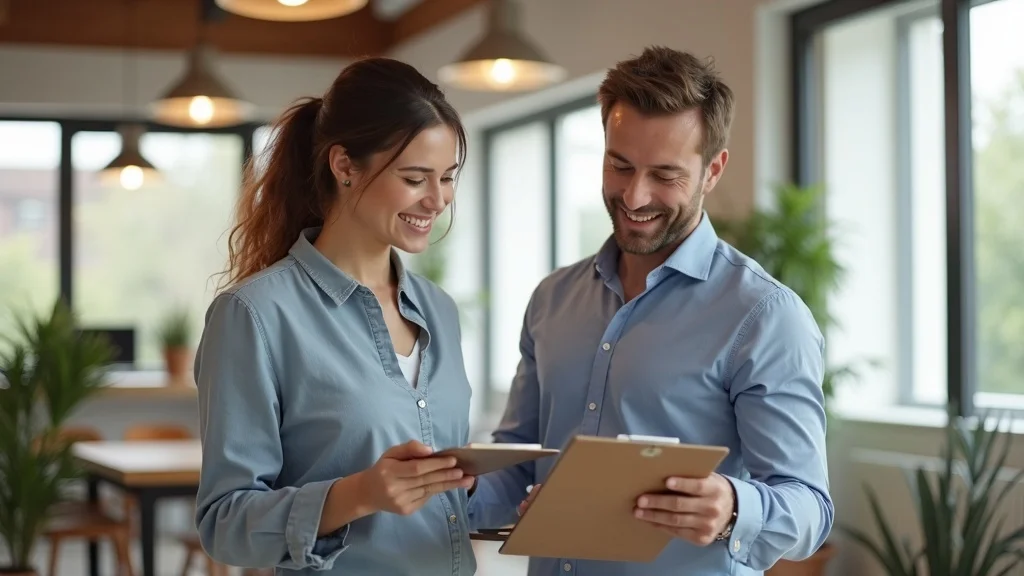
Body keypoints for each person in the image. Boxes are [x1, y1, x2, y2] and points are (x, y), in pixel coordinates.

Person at [467, 46, 834, 575]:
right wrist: (445, 490)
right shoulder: (553, 298)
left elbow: (810, 509)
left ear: (713, 170)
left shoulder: (765, 315)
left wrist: (733, 506)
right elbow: (521, 465)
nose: (635, 195)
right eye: (620, 166)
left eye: (665, 174)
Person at [192, 57, 479, 575]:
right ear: (344, 165)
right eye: (415, 178)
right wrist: (357, 494)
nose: (437, 200)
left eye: (448, 177)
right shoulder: (254, 316)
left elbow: (442, 502)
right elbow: (224, 524)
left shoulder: (439, 310)